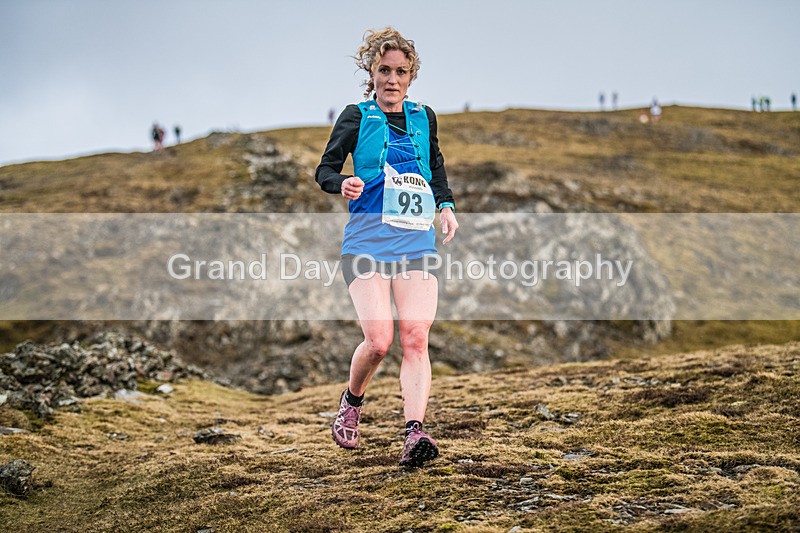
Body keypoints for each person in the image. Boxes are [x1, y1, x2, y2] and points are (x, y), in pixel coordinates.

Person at [315, 27, 458, 467]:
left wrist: (446, 205)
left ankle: (414, 433)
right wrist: (343, 183)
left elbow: (435, 167)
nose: (392, 79)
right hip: (366, 238)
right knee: (379, 340)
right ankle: (352, 401)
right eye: (383, 70)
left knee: (416, 337)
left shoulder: (424, 116)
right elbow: (324, 169)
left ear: (411, 75)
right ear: (371, 72)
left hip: (415, 236)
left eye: (400, 71)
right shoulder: (356, 116)